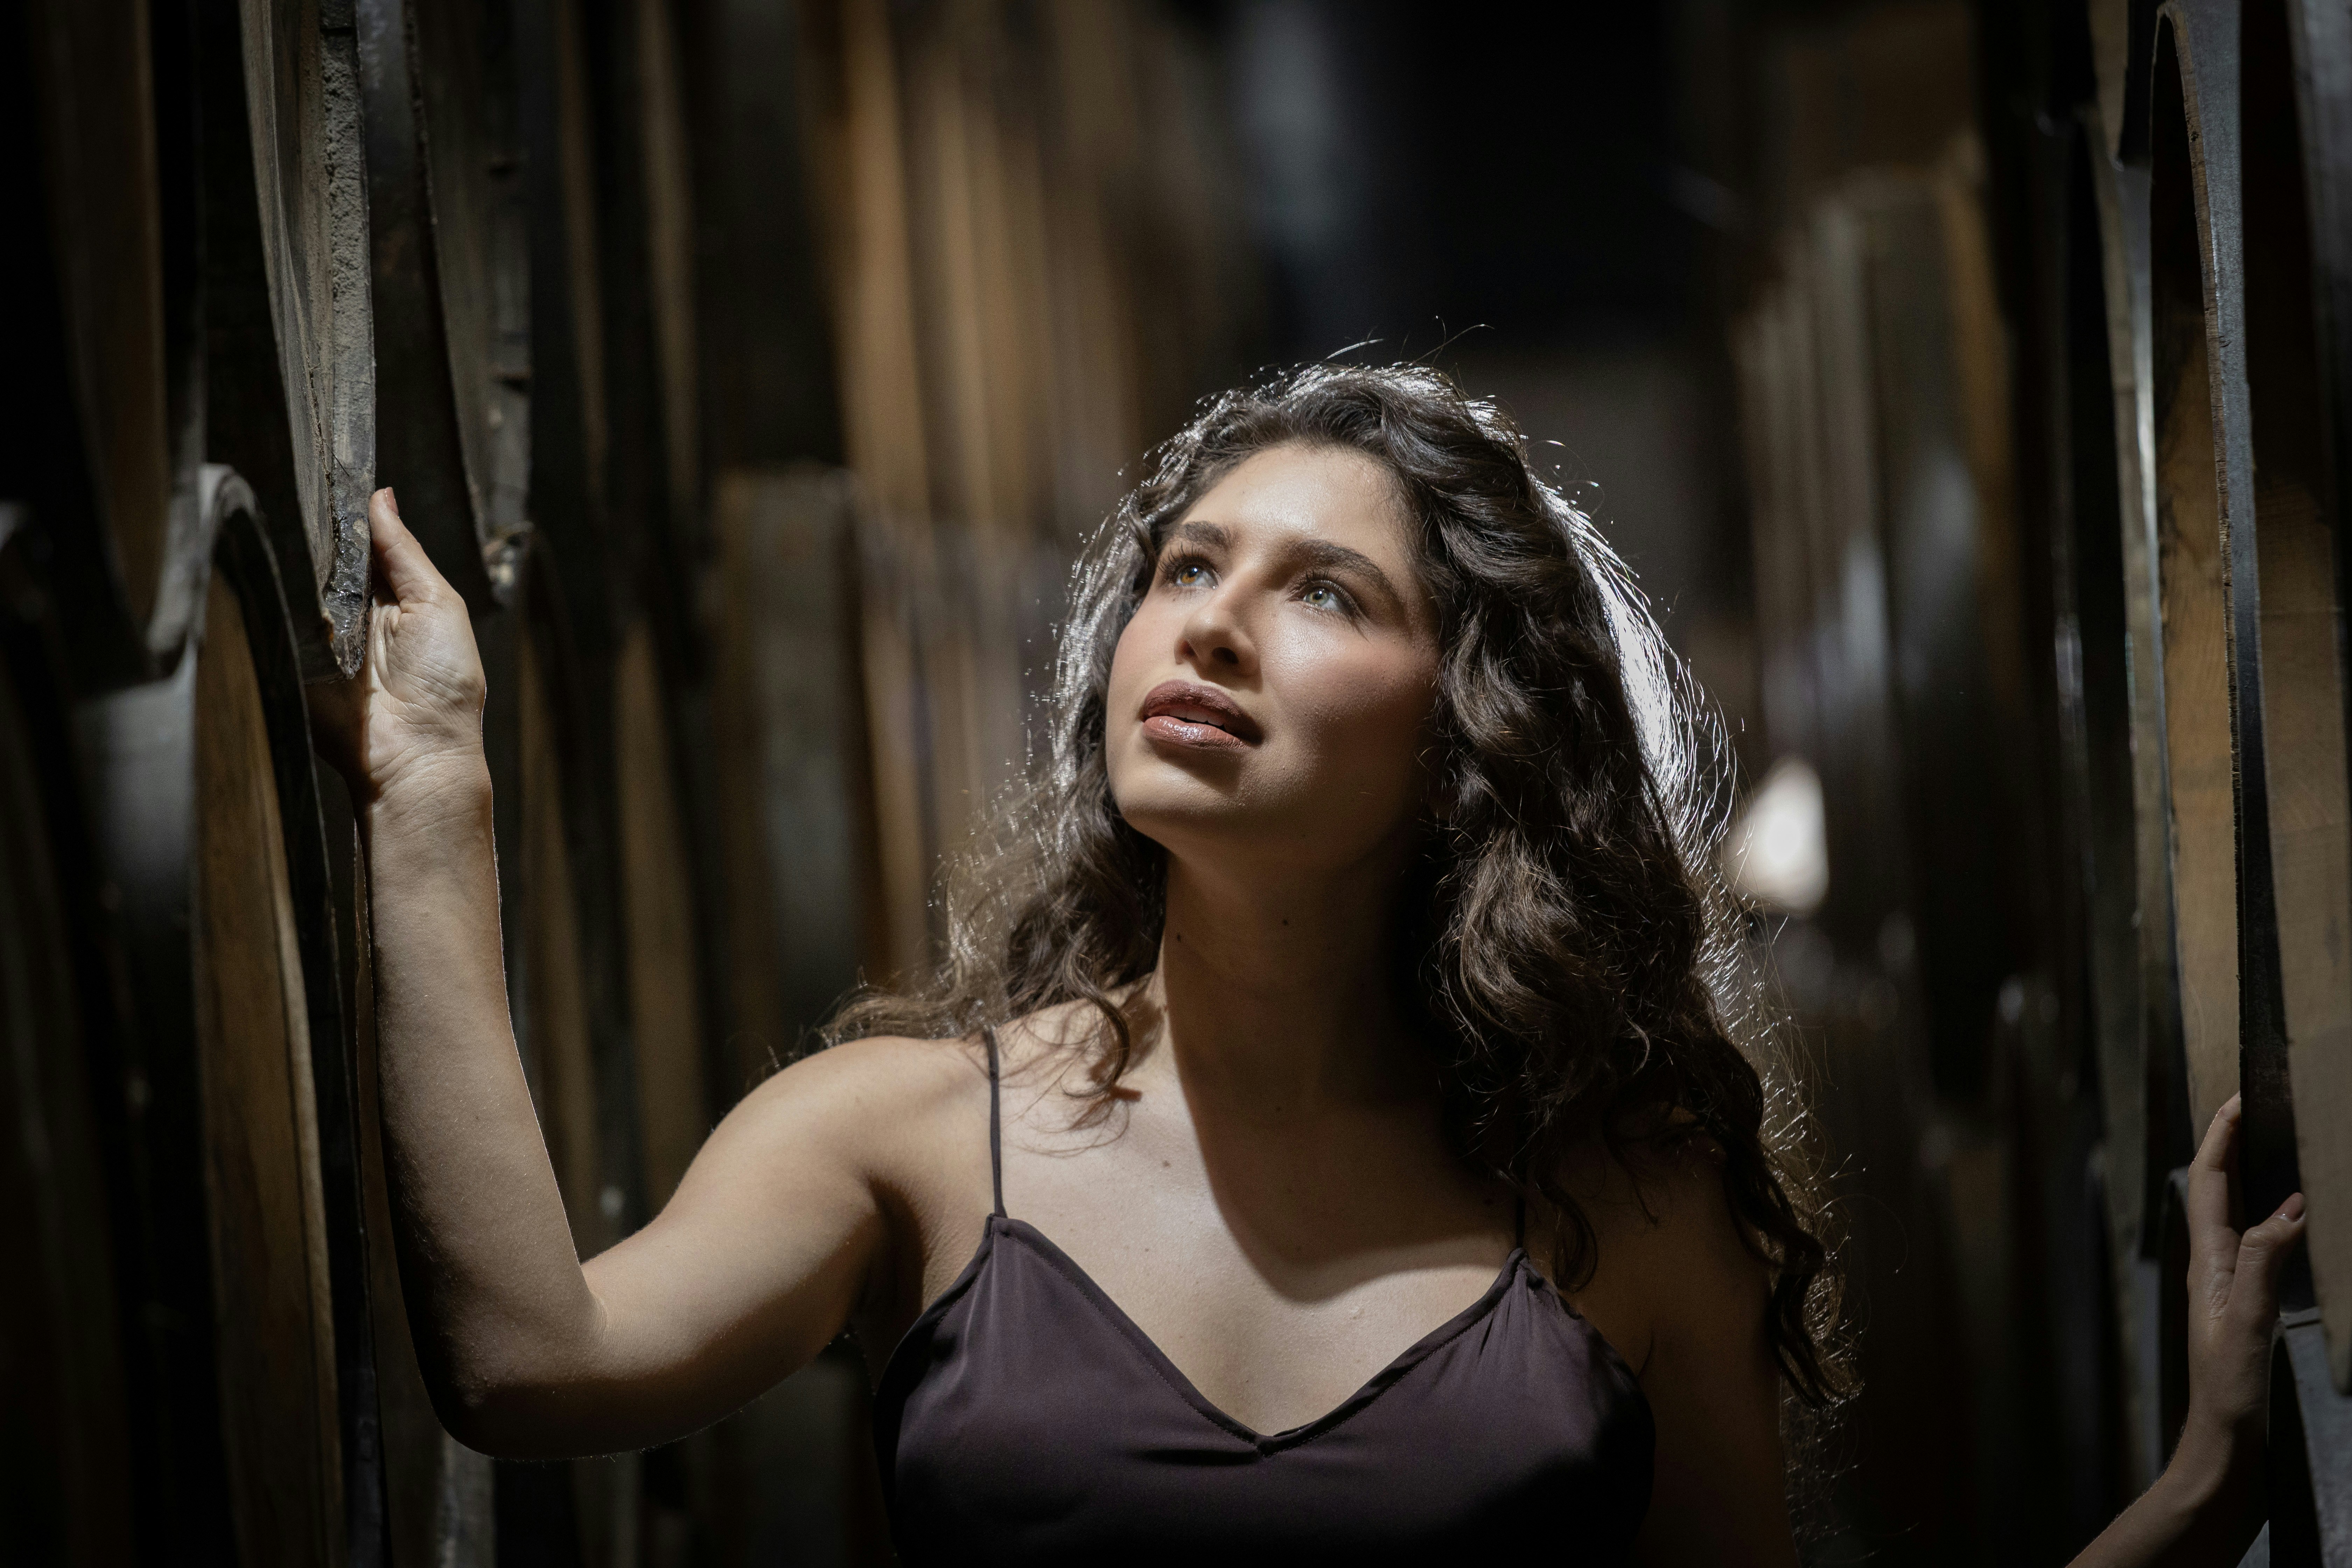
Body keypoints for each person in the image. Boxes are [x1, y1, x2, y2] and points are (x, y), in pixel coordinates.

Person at [321, 363, 2305, 1565]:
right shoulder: (910, 1137)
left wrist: (2202, 1493)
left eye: (1323, 591)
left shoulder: (1619, 1210)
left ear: (1472, 729)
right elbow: (526, 1363)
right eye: (1188, 568)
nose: (1210, 625)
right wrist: (432, 790)